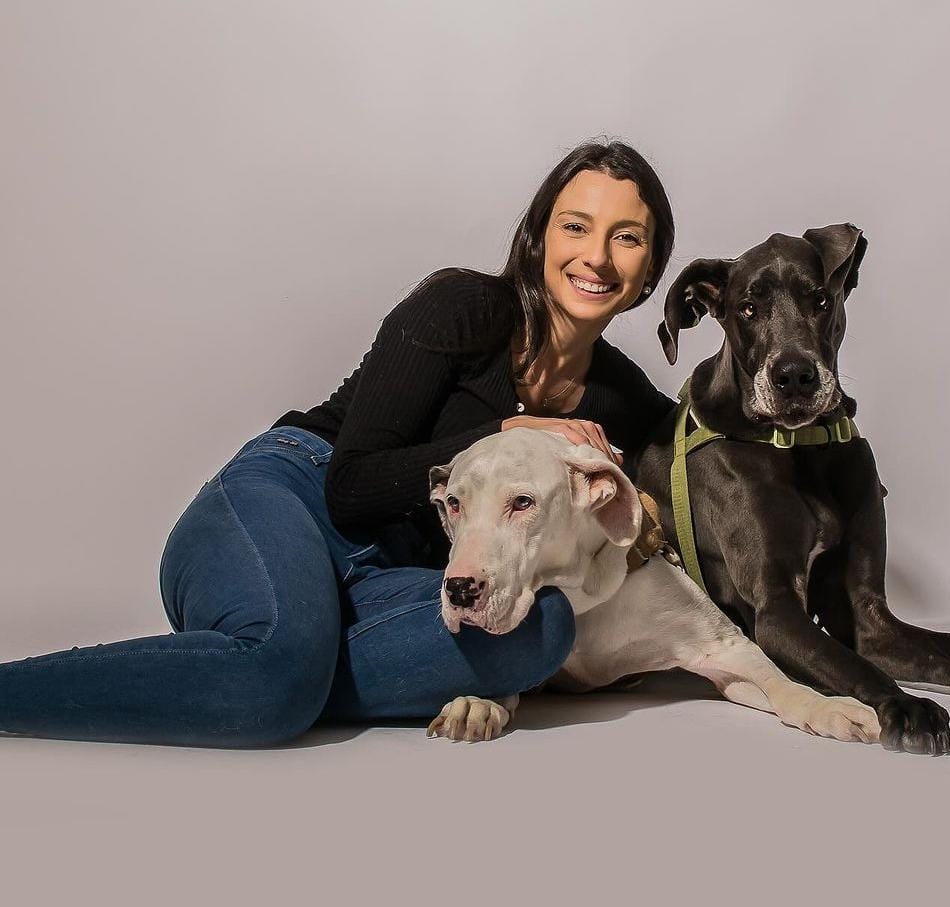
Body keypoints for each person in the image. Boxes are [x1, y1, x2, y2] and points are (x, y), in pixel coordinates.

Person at [0, 139, 677, 747]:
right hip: (289, 497)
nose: (596, 256)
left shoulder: (617, 396)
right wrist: (509, 429)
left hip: (388, 583)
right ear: (539, 240)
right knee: (277, 674)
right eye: (575, 226)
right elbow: (350, 487)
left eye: (626, 238)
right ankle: (262, 669)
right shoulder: (461, 310)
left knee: (541, 627)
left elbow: (698, 448)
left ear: (650, 270)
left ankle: (269, 673)